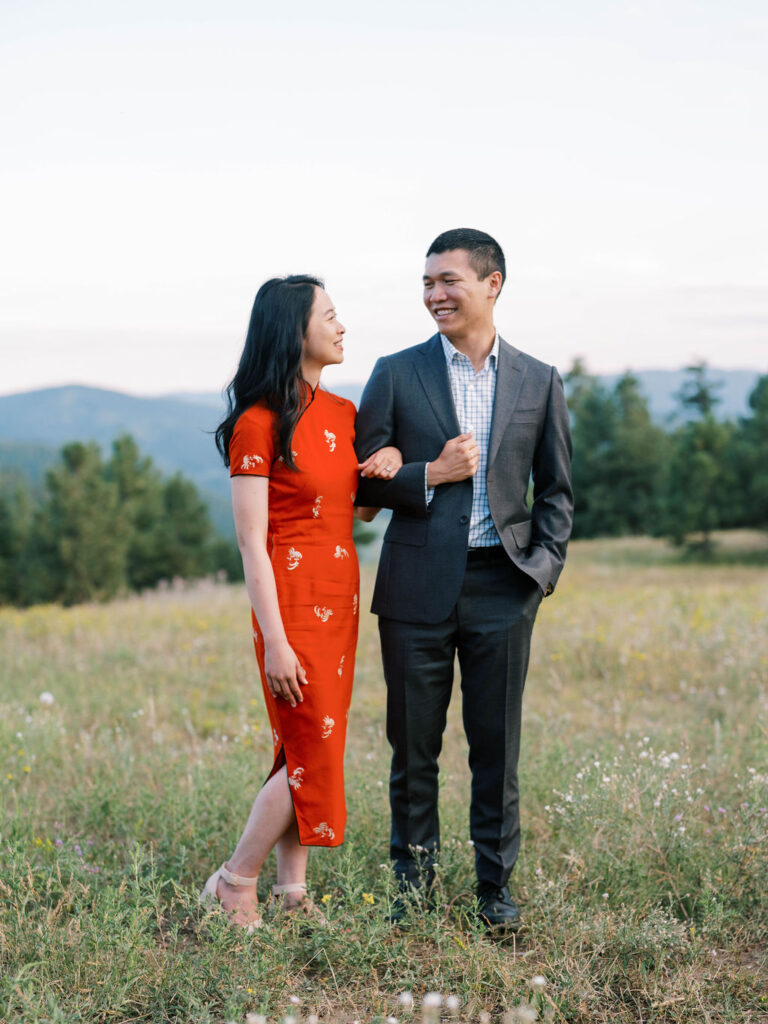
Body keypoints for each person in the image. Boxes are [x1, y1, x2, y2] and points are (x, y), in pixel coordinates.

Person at [354, 228, 574, 930]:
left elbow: (557, 491)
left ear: (492, 283)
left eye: (448, 281)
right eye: (426, 283)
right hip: (415, 587)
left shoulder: (539, 380)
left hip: (504, 587)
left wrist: (541, 571)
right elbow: (359, 488)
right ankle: (412, 892)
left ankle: (494, 891)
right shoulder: (394, 371)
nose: (434, 295)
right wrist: (429, 474)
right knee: (413, 748)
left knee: (495, 749)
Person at [204, 275, 400, 930]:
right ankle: (236, 882)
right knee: (312, 741)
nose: (343, 327)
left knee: (307, 744)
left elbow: (360, 512)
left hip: (340, 596)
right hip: (288, 604)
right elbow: (251, 545)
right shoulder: (257, 423)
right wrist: (277, 640)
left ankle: (293, 895)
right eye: (331, 316)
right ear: (295, 331)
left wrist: (388, 462)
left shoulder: (343, 414)